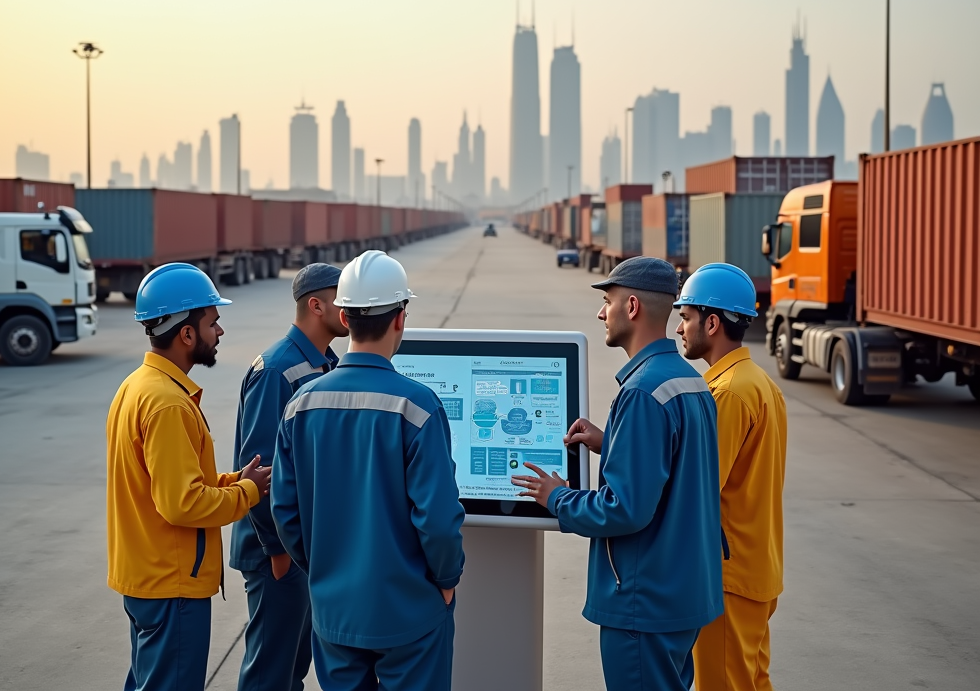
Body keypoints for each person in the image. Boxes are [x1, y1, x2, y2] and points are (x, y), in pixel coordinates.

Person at [511, 256, 722, 691]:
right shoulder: (688, 380)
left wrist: (556, 496)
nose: (600, 313)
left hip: (645, 601)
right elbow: (679, 466)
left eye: (606, 301)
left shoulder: (643, 392)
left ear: (632, 306)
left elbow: (625, 509)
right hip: (684, 592)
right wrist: (612, 443)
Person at [271, 250, 465, 691]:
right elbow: (437, 519)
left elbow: (286, 513)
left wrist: (324, 572)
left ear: (343, 314)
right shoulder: (417, 407)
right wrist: (447, 580)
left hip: (335, 615)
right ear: (400, 318)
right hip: (410, 613)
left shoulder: (300, 405)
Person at [107, 263, 272, 691]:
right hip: (172, 587)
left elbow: (171, 481)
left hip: (146, 578)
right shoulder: (168, 405)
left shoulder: (137, 387)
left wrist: (234, 480)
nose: (220, 332)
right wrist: (247, 495)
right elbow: (182, 503)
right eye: (213, 323)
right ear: (185, 334)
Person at [230, 263, 347, 691]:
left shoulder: (324, 364)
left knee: (294, 667)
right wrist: (279, 551)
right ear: (316, 305)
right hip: (274, 551)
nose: (350, 306)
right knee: (270, 670)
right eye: (341, 297)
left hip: (301, 546)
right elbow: (259, 474)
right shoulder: (278, 369)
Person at [675, 263, 787, 691]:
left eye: (686, 317)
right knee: (751, 682)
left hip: (728, 576)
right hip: (757, 567)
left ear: (713, 321)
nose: (680, 328)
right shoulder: (759, 383)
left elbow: (699, 484)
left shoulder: (726, 394)